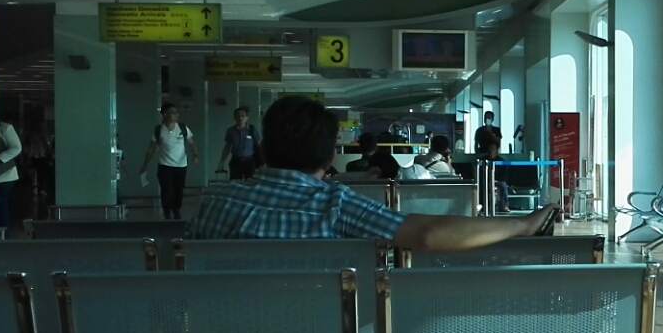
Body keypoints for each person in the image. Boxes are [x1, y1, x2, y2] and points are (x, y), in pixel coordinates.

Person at [193, 95, 557, 247]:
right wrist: (522, 225)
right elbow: (427, 235)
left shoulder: (215, 201)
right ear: (329, 157)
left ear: (263, 149)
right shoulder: (336, 205)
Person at [139, 102, 197, 220]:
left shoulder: (182, 128)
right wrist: (145, 164)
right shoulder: (159, 130)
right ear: (165, 114)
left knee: (179, 189)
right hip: (165, 165)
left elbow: (191, 143)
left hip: (181, 165)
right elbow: (151, 149)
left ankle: (176, 210)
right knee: (166, 189)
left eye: (176, 112)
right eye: (173, 113)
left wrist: (195, 155)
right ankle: (167, 211)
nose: (176, 115)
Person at [0, 107, 23, 230]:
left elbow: (16, 148)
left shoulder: (5, 128)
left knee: (0, 203)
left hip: (5, 174)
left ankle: (4, 232)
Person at [218, 106, 262, 179]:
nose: (240, 118)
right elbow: (227, 148)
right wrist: (221, 162)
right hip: (236, 161)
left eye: (243, 116)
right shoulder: (231, 131)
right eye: (238, 116)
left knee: (251, 182)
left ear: (247, 118)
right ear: (234, 118)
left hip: (250, 161)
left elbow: (259, 145)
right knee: (235, 182)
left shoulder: (252, 130)